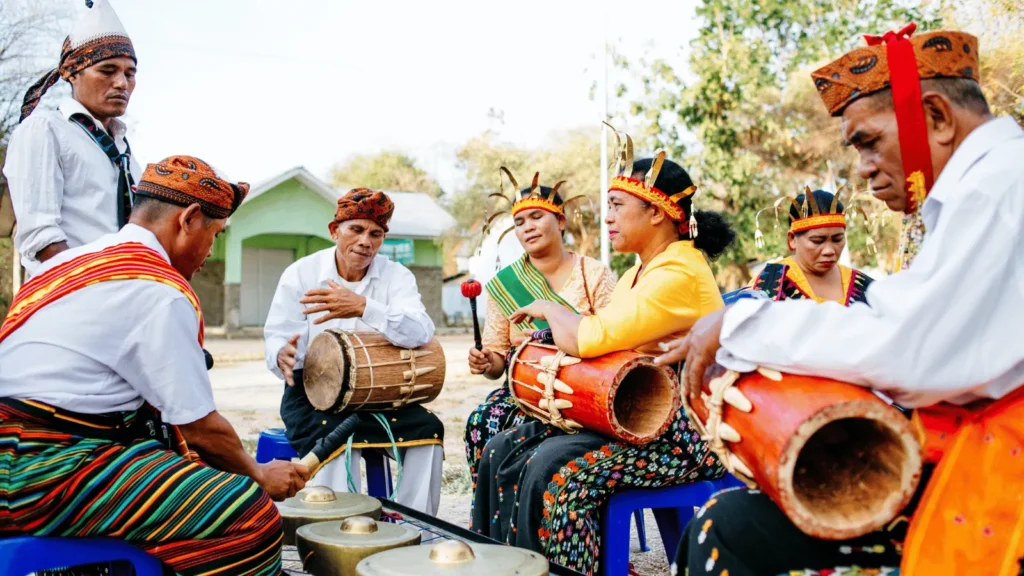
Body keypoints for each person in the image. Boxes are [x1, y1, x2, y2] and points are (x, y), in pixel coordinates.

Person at [661, 25, 1024, 576]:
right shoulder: (991, 184)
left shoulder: (1000, 188)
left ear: (937, 118)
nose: (864, 168)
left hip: (1003, 468)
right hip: (970, 442)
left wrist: (740, 324)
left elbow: (908, 351)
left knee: (728, 529)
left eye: (869, 141)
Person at [0, 155, 305, 575]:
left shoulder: (67, 264)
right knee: (247, 514)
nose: (210, 252)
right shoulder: (158, 288)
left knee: (177, 463)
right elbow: (200, 427)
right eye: (214, 234)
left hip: (22, 452)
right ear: (189, 219)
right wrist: (257, 473)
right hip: (38, 471)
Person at [471, 133, 737, 574]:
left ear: (656, 212)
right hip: (639, 415)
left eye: (617, 206)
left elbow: (591, 339)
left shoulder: (679, 272)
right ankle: (501, 564)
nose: (607, 217)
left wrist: (551, 309)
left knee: (559, 477)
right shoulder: (642, 270)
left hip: (683, 434)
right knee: (503, 448)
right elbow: (606, 342)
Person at [265, 187, 444, 515]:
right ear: (335, 231)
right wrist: (282, 355)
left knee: (428, 429)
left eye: (376, 234)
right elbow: (277, 336)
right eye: (356, 230)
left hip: (380, 394)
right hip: (312, 393)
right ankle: (336, 527)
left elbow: (421, 331)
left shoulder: (396, 276)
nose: (366, 241)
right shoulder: (301, 274)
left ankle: (413, 523)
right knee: (331, 436)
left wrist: (364, 307)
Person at [464, 170, 617, 488]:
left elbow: (615, 338)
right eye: (520, 222)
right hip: (523, 392)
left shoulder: (594, 274)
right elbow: (497, 361)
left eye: (537, 217)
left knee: (539, 438)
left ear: (560, 222)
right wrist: (485, 362)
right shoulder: (504, 286)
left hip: (583, 390)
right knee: (483, 421)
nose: (527, 227)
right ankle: (495, 526)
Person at [4, 0, 142, 277]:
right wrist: (95, 288)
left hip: (119, 295)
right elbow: (41, 240)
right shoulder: (44, 130)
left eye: (130, 73)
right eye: (107, 70)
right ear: (72, 74)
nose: (122, 83)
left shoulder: (125, 151)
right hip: (67, 299)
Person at [752, 188, 873, 304]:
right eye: (817, 241)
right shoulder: (769, 283)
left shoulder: (864, 286)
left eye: (837, 239)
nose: (829, 251)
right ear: (792, 239)